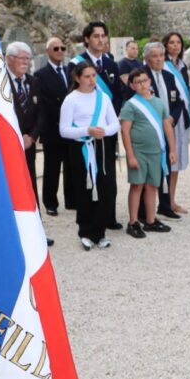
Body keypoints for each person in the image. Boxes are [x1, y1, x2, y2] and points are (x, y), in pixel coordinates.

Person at [59, 61, 120, 250]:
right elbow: (64, 130)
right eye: (87, 76)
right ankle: (86, 232)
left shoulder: (103, 97)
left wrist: (103, 131)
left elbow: (115, 123)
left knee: (105, 188)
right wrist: (87, 130)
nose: (92, 80)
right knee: (84, 189)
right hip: (81, 149)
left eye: (94, 75)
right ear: (77, 78)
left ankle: (100, 233)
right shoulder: (71, 99)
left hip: (101, 146)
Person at [70, 22, 122, 230]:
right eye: (96, 36)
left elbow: (117, 96)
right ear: (87, 39)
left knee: (108, 175)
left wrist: (110, 122)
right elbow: (73, 95)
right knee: (91, 176)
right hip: (86, 135)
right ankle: (91, 220)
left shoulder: (111, 64)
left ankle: (109, 216)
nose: (101, 40)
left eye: (103, 36)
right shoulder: (76, 64)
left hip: (107, 130)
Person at [120, 67, 177, 239]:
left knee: (152, 186)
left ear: (150, 82)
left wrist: (172, 149)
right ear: (132, 85)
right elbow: (125, 131)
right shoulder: (130, 105)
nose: (142, 84)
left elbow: (167, 126)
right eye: (137, 82)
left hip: (156, 152)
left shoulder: (159, 103)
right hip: (138, 152)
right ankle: (133, 222)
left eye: (144, 81)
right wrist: (130, 155)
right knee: (137, 185)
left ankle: (151, 220)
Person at [141, 41, 182, 221]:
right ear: (147, 58)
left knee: (166, 167)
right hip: (149, 130)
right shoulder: (141, 77)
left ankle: (165, 205)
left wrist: (173, 117)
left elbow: (178, 101)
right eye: (154, 56)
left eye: (161, 55)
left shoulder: (168, 76)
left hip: (167, 128)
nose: (159, 59)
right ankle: (143, 211)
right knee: (149, 171)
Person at [34, 37, 74, 216]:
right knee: (52, 168)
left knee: (71, 166)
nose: (60, 51)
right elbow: (43, 104)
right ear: (48, 51)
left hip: (71, 128)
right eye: (56, 48)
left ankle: (71, 200)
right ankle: (50, 202)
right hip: (52, 127)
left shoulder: (70, 72)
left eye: (62, 48)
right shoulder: (41, 75)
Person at [5, 41, 41, 198]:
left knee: (30, 182)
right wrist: (18, 137)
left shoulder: (33, 82)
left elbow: (41, 113)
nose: (26, 62)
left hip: (29, 144)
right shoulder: (0, 83)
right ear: (9, 58)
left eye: (28, 58)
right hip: (9, 143)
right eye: (22, 58)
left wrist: (32, 136)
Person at [162, 31, 190, 214]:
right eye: (172, 42)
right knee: (166, 161)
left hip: (180, 118)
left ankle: (172, 201)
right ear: (166, 45)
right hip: (167, 117)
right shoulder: (162, 65)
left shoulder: (182, 66)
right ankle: (163, 203)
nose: (175, 45)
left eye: (178, 42)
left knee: (176, 161)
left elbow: (184, 93)